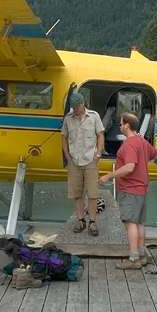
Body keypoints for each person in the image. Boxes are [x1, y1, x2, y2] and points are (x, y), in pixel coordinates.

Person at [99, 112, 157, 268]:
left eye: (121, 123)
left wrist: (108, 176)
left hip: (130, 188)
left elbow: (129, 167)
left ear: (127, 126)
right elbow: (155, 153)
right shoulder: (141, 141)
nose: (119, 126)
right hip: (142, 189)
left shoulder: (129, 144)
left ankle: (133, 259)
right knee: (139, 223)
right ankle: (142, 255)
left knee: (129, 223)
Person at [61, 91, 105, 236]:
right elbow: (64, 137)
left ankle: (92, 222)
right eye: (73, 107)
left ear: (83, 103)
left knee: (92, 192)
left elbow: (100, 135)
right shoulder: (68, 118)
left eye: (77, 106)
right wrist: (67, 155)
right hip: (74, 160)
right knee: (76, 192)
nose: (75, 109)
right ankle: (81, 220)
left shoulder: (94, 116)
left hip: (90, 159)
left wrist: (98, 154)